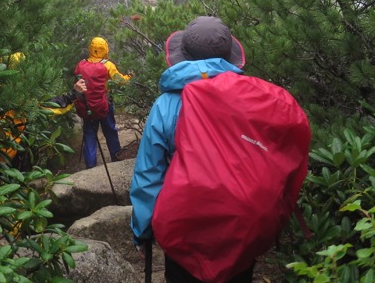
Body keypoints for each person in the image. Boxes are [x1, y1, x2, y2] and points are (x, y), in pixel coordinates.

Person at [129, 16, 253, 283]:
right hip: (240, 227)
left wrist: (142, 230)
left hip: (185, 227)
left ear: (182, 56)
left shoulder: (166, 105)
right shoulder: (251, 97)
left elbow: (150, 173)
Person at [75, 36, 131, 168]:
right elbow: (120, 80)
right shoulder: (107, 65)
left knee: (89, 135)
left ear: (90, 49)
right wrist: (130, 77)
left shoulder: (81, 64)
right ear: (105, 49)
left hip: (87, 105)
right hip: (104, 104)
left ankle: (90, 167)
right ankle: (116, 159)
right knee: (110, 131)